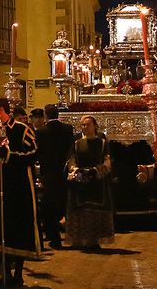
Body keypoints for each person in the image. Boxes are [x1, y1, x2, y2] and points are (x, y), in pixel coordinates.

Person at [0, 96, 41, 285]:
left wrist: (10, 156)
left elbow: (34, 153)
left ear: (1, 110)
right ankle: (5, 271)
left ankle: (18, 272)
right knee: (3, 227)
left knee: (19, 226)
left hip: (20, 187)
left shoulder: (21, 129)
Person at [64, 115, 115, 251]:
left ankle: (94, 240)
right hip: (81, 180)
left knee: (95, 210)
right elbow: (71, 160)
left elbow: (107, 161)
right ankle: (80, 239)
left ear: (95, 126)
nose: (85, 127)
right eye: (83, 125)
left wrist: (96, 171)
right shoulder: (77, 143)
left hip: (97, 181)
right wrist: (76, 170)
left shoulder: (102, 143)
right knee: (82, 210)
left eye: (87, 125)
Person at [34, 104, 73, 249]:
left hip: (48, 172)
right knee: (64, 202)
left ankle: (54, 236)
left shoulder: (41, 131)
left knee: (48, 205)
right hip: (63, 170)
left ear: (45, 116)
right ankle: (71, 233)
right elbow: (70, 148)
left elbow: (38, 152)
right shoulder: (67, 129)